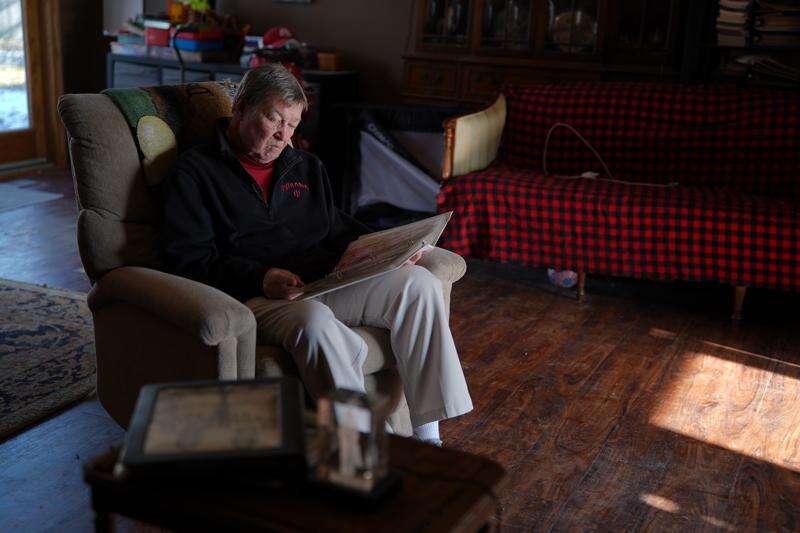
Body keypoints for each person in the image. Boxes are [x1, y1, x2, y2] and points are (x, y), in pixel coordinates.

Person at [159, 63, 472, 445]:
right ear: (240, 108)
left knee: (418, 285)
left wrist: (393, 249)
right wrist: (260, 277)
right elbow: (188, 259)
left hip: (319, 283)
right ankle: (360, 448)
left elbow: (335, 227)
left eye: (292, 125)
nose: (283, 136)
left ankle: (428, 440)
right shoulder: (193, 173)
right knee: (314, 320)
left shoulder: (305, 166)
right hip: (252, 297)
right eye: (274, 120)